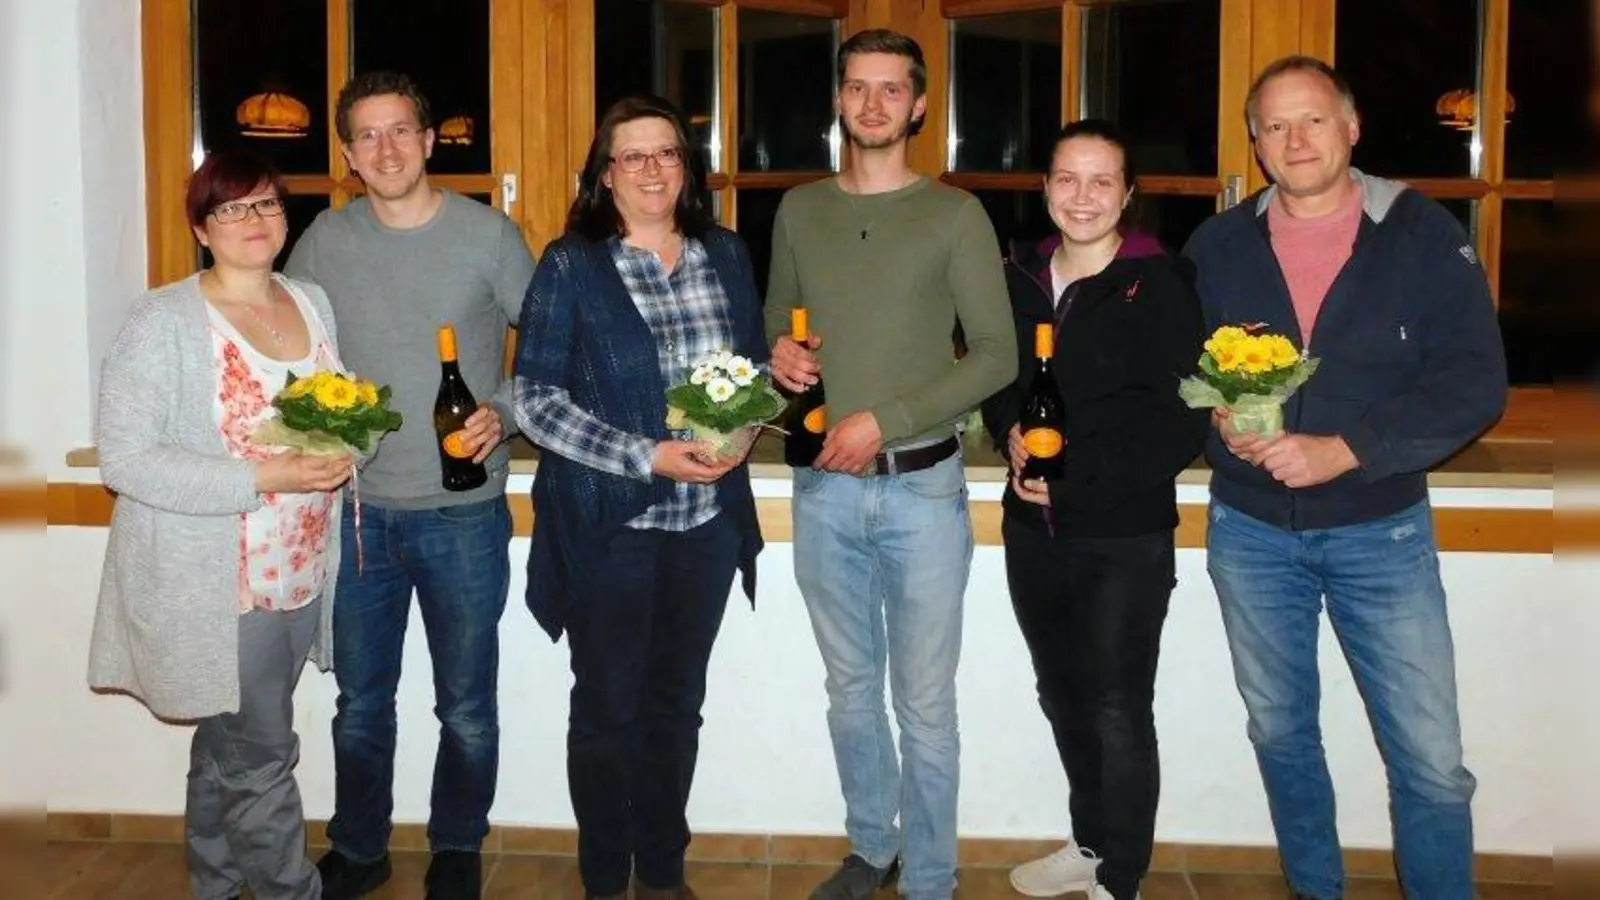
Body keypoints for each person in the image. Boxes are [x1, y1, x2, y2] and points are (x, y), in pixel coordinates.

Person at [1181, 56, 1507, 900]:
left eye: (1313, 120)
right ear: (1256, 145)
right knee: (1281, 735)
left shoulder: (1420, 232)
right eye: (1275, 126)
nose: (1296, 140)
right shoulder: (1218, 245)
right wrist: (1216, 418)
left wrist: (1346, 449)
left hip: (1381, 531)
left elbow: (1476, 384)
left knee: (1429, 758)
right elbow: (1181, 370)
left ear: (1351, 128)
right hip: (1251, 533)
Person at [763, 28, 1017, 900]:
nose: (872, 104)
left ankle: (932, 880)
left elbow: (997, 355)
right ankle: (873, 848)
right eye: (857, 87)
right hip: (823, 489)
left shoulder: (955, 214)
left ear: (918, 106)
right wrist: (781, 353)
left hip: (922, 490)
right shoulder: (799, 210)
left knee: (926, 707)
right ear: (839, 100)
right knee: (849, 691)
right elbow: (779, 320)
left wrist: (885, 420)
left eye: (891, 89)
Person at [284, 70, 536, 900]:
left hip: (463, 514)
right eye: (367, 135)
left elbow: (553, 349)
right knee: (361, 702)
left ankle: (458, 845)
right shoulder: (323, 241)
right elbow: (289, 356)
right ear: (348, 155)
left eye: (401, 131)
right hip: (357, 512)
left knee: (465, 705)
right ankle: (360, 848)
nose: (386, 149)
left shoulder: (489, 235)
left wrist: (504, 412)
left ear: (429, 141)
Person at [513, 94, 765, 900]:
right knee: (607, 711)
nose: (652, 169)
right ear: (605, 175)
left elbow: (754, 371)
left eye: (667, 152)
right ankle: (602, 877)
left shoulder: (725, 253)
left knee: (675, 707)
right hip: (610, 527)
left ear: (687, 166)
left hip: (706, 528)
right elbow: (534, 400)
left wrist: (741, 436)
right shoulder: (572, 263)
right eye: (633, 155)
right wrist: (646, 455)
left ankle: (661, 869)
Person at [88, 149, 354, 900]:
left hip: (302, 569)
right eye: (231, 208)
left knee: (227, 743)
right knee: (262, 754)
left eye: (267, 203)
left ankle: (215, 883)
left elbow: (337, 408)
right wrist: (262, 477)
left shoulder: (310, 300)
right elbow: (125, 461)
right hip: (219, 584)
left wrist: (351, 441)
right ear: (202, 228)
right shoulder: (162, 320)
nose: (254, 219)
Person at [981, 119, 1209, 900]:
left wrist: (1076, 481)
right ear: (1046, 188)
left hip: (1124, 536)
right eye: (1067, 179)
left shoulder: (1160, 284)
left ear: (1128, 194)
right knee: (1062, 694)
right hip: (1032, 531)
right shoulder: (1017, 275)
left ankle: (1122, 875)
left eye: (1102, 180)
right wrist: (1006, 431)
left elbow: (1180, 424)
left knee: (1117, 707)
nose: (1083, 197)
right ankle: (1090, 841)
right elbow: (998, 378)